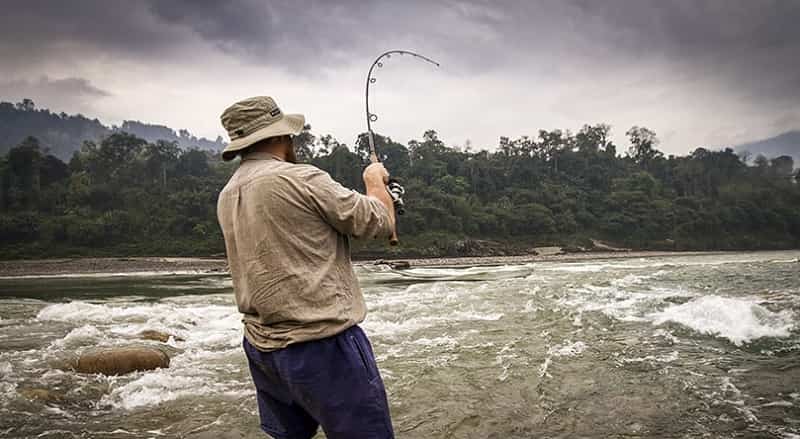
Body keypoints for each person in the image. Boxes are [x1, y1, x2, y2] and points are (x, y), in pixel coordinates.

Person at [216, 96, 397, 439]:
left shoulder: (228, 193)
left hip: (262, 348)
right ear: (279, 137)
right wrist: (374, 180)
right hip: (324, 345)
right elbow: (377, 221)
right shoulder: (301, 179)